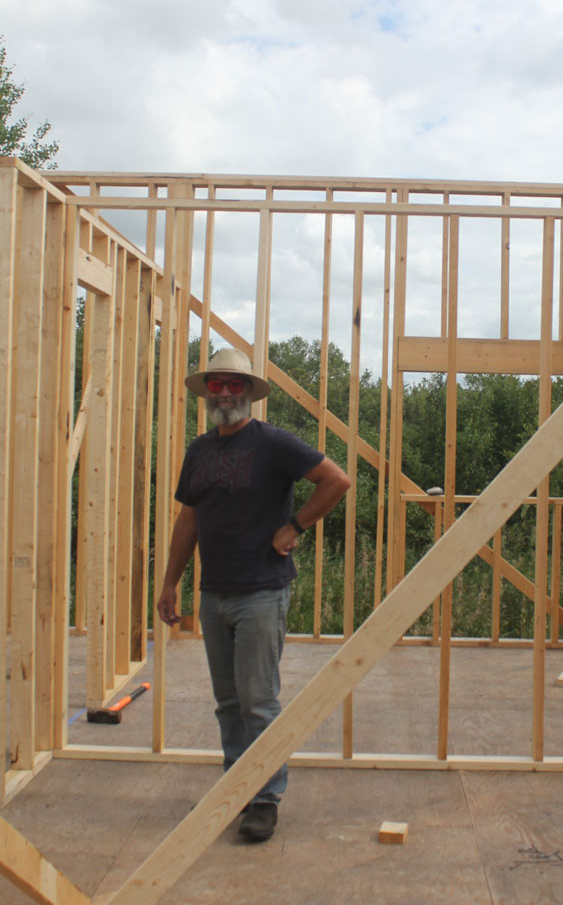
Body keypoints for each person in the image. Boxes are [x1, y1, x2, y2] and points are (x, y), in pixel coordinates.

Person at [157, 347, 350, 844]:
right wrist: (170, 580)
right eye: (216, 385)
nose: (224, 393)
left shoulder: (272, 444)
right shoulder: (200, 450)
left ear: (248, 393)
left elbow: (336, 480)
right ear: (207, 394)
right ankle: (237, 787)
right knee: (227, 701)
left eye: (233, 385)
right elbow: (189, 518)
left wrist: (296, 526)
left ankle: (264, 799)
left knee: (257, 701)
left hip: (262, 591)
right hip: (214, 591)